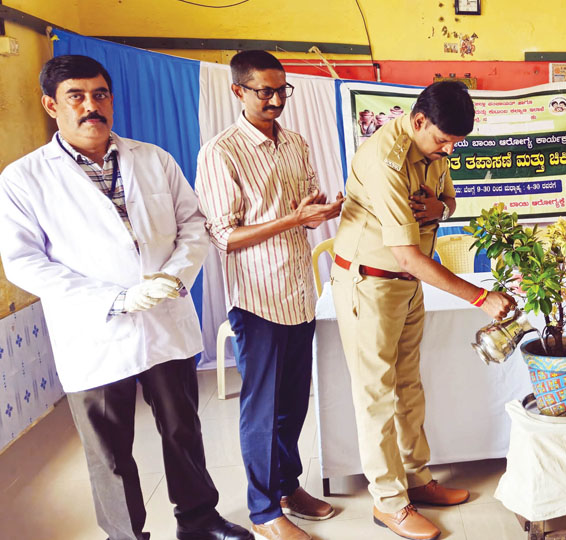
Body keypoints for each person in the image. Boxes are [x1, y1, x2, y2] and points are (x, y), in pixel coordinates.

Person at [0, 55, 251, 540]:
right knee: (108, 450)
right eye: (77, 97)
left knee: (183, 433)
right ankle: (125, 535)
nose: (91, 106)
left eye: (100, 95)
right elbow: (24, 262)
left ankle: (198, 521)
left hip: (164, 319)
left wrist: (173, 278)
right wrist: (114, 300)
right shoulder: (24, 179)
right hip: (94, 332)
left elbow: (193, 225)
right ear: (52, 105)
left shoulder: (153, 158)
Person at [330, 80, 514, 540]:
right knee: (375, 394)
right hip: (371, 284)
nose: (449, 150)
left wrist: (440, 206)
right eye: (443, 140)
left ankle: (417, 478)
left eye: (456, 143)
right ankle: (389, 503)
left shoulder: (435, 148)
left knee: (408, 385)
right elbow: (409, 254)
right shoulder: (383, 160)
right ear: (418, 121)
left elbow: (447, 202)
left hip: (408, 286)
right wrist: (480, 296)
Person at [195, 50, 343, 540]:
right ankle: (263, 513)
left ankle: (287, 487)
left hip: (300, 292)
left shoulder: (296, 143)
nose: (277, 99)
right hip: (258, 299)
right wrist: (292, 220)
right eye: (266, 91)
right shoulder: (222, 152)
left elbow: (306, 201)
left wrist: (319, 209)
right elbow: (225, 236)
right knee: (261, 408)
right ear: (238, 91)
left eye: (283, 90)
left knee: (294, 402)